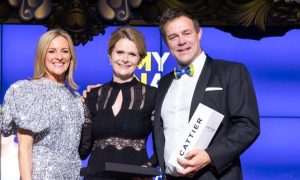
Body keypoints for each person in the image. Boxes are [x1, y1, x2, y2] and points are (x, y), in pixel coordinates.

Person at [153, 8, 260, 180]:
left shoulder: (231, 72)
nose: (181, 41)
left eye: (186, 33)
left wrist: (210, 156)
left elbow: (248, 126)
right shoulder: (164, 83)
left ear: (199, 33)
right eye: (173, 37)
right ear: (167, 43)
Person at [0, 29, 85, 180]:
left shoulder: (76, 99)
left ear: (71, 56)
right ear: (42, 55)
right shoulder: (29, 92)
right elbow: (24, 149)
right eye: (51, 51)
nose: (59, 57)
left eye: (64, 51)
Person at [79, 26, 157, 180]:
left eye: (132, 54)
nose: (125, 59)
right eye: (120, 52)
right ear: (110, 56)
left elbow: (163, 146)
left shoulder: (153, 95)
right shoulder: (93, 95)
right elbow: (82, 150)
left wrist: (146, 169)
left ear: (140, 60)